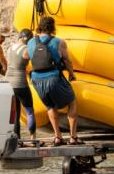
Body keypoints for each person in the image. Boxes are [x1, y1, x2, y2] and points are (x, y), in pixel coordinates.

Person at [23, 17, 79, 146]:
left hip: (36, 80)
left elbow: (26, 56)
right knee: (72, 102)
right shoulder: (58, 42)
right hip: (53, 78)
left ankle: (58, 137)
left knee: (50, 106)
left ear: (40, 27)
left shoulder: (31, 42)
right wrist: (71, 74)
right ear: (52, 28)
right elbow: (67, 61)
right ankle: (73, 137)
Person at [6, 29, 36, 140]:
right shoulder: (27, 49)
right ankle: (33, 138)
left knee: (16, 114)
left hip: (9, 83)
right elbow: (37, 61)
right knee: (29, 111)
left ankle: (16, 139)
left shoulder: (10, 48)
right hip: (21, 84)